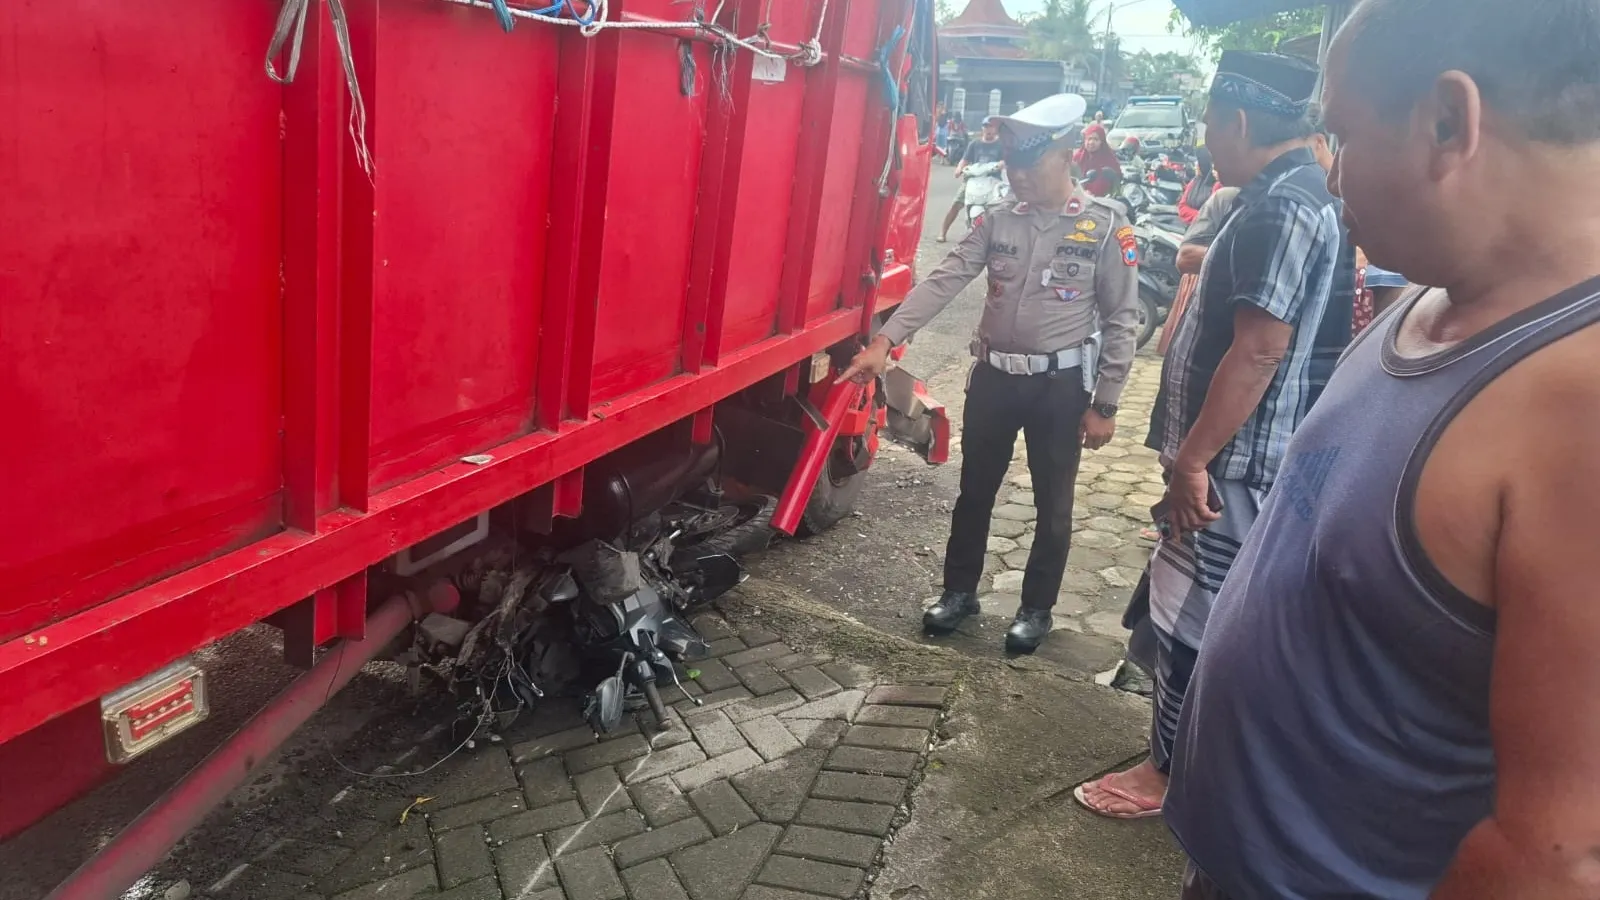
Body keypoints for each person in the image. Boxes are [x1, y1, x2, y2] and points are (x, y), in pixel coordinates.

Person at [1166, 1, 1600, 897]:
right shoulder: (1427, 301)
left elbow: (1559, 855)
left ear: (1449, 122)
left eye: (1345, 136)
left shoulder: (1577, 410)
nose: (1332, 180)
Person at [1073, 50, 1354, 819]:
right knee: (1194, 613)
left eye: (1207, 122)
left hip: (1238, 464)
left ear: (1234, 120)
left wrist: (1194, 459)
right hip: (1245, 458)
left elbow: (1260, 347)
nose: (1204, 138)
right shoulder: (1288, 192)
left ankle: (1173, 775)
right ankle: (1191, 759)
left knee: (1194, 626)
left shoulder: (1281, 205)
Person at [842, 93, 1141, 653]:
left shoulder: (1104, 227)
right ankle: (959, 593)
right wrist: (885, 341)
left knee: (1054, 503)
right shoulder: (999, 220)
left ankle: (1036, 609)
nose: (1019, 176)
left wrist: (1105, 404)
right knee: (974, 491)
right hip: (994, 380)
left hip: (1059, 387)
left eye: (1030, 163)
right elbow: (944, 280)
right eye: (1011, 165)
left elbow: (1123, 318)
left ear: (1066, 153)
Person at [937, 117, 1003, 242]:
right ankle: (943, 231)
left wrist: (1001, 164)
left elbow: (1005, 160)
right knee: (956, 203)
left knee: (999, 208)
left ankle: (996, 238)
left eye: (991, 127)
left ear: (996, 129)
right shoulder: (975, 144)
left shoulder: (1000, 145)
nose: (988, 129)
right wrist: (959, 169)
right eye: (986, 126)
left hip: (992, 180)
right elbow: (965, 159)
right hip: (973, 179)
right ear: (982, 128)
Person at [1074, 122, 1122, 198]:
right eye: (1089, 139)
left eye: (1096, 139)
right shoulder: (1077, 158)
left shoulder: (1109, 159)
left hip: (1104, 201)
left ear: (1101, 142)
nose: (1091, 142)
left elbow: (1116, 183)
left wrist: (1093, 194)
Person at [1176, 148, 1219, 224]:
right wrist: (1200, 216)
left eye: (1198, 162)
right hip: (1189, 226)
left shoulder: (1217, 185)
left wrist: (1200, 217)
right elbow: (1182, 207)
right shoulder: (1195, 181)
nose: (1195, 165)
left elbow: (1210, 216)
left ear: (1204, 164)